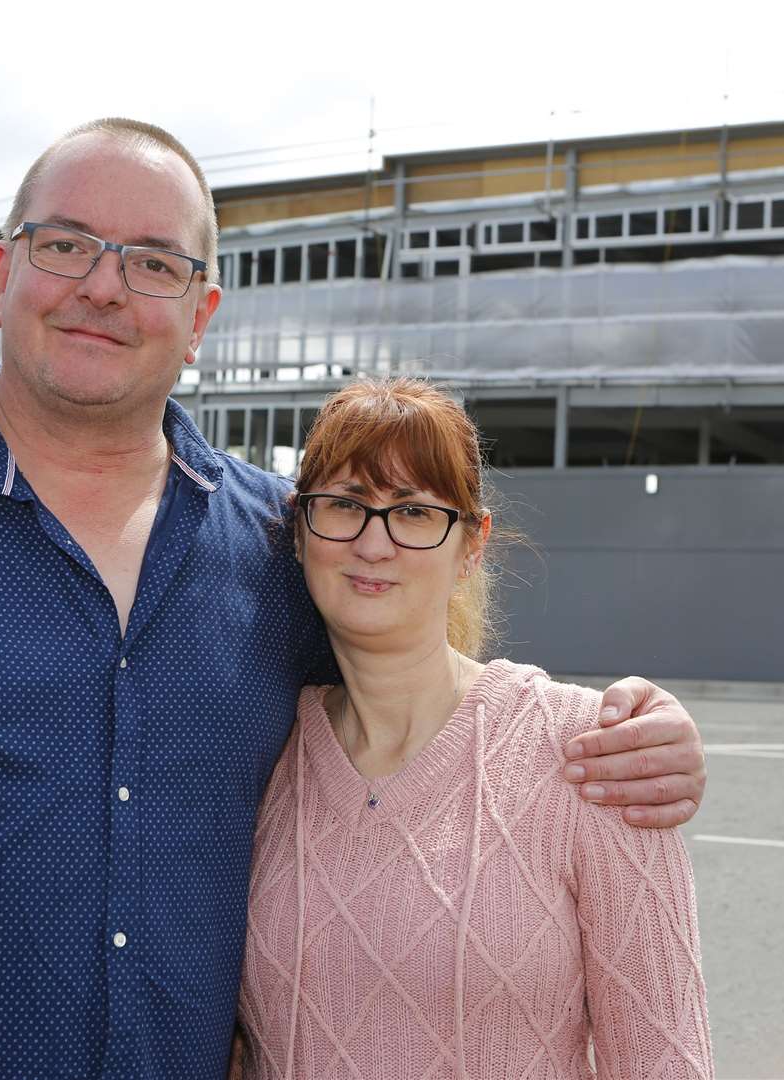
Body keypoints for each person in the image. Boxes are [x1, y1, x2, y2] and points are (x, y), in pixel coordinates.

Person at [0, 119, 707, 1080]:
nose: (103, 286)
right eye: (67, 244)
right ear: (1, 270)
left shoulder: (278, 551)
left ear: (202, 312)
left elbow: (428, 694)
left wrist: (638, 736)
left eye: (152, 263)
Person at [236, 379, 712, 1078]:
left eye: (414, 511)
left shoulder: (592, 753)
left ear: (471, 545)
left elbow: (663, 1060)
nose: (374, 542)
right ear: (301, 530)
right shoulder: (261, 752)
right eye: (344, 505)